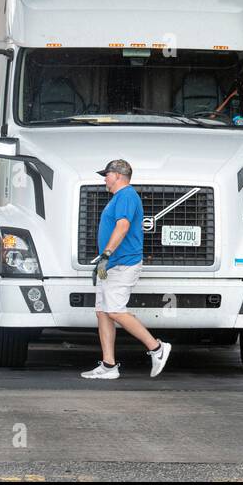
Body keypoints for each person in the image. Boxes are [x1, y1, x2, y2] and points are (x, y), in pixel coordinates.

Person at [81, 159, 172, 380]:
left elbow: (123, 226)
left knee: (114, 311)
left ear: (119, 175)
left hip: (122, 263)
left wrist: (107, 254)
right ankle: (109, 366)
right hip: (111, 265)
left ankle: (157, 348)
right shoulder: (119, 198)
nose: (104, 179)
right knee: (103, 312)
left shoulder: (126, 196)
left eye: (107, 174)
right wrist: (104, 261)